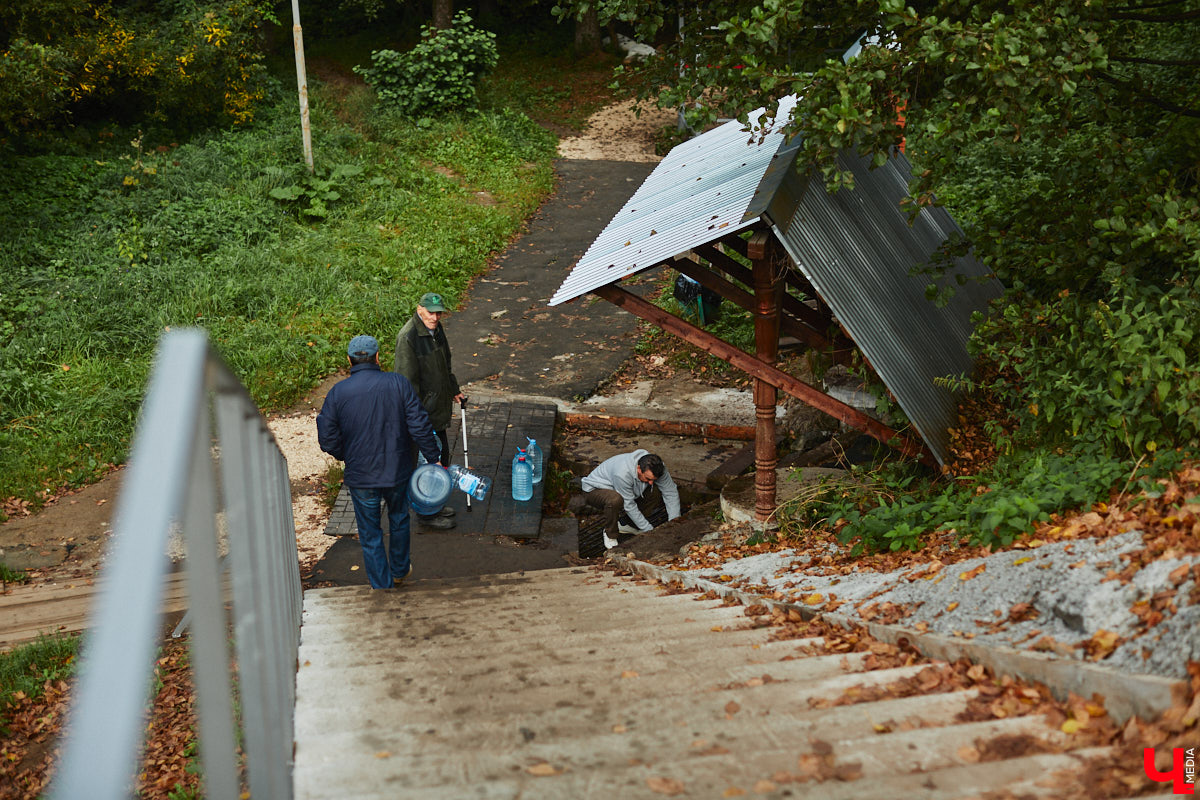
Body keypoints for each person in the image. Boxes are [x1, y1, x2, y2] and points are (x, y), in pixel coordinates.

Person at [317, 335, 442, 589]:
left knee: (370, 533)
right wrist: (434, 458)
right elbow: (419, 426)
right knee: (398, 519)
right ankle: (399, 570)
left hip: (361, 477)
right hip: (398, 472)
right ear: (377, 358)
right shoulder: (398, 383)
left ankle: (382, 587)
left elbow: (327, 439)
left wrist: (347, 455)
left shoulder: (338, 393)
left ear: (348, 360)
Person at [395, 291, 466, 531]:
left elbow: (445, 364)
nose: (435, 317)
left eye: (438, 312)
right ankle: (426, 513)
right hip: (421, 415)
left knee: (441, 458)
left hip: (436, 410)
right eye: (431, 312)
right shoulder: (409, 338)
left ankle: (433, 505)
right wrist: (415, 419)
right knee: (428, 465)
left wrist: (453, 387)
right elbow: (406, 384)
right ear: (419, 309)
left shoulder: (436, 329)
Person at [577, 450, 681, 550]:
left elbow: (670, 491)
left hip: (624, 490)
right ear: (639, 469)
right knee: (615, 500)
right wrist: (649, 531)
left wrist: (674, 524)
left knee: (655, 491)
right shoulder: (622, 472)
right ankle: (610, 534)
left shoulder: (658, 467)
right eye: (648, 479)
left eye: (653, 479)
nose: (650, 482)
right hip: (594, 490)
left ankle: (627, 524)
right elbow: (629, 505)